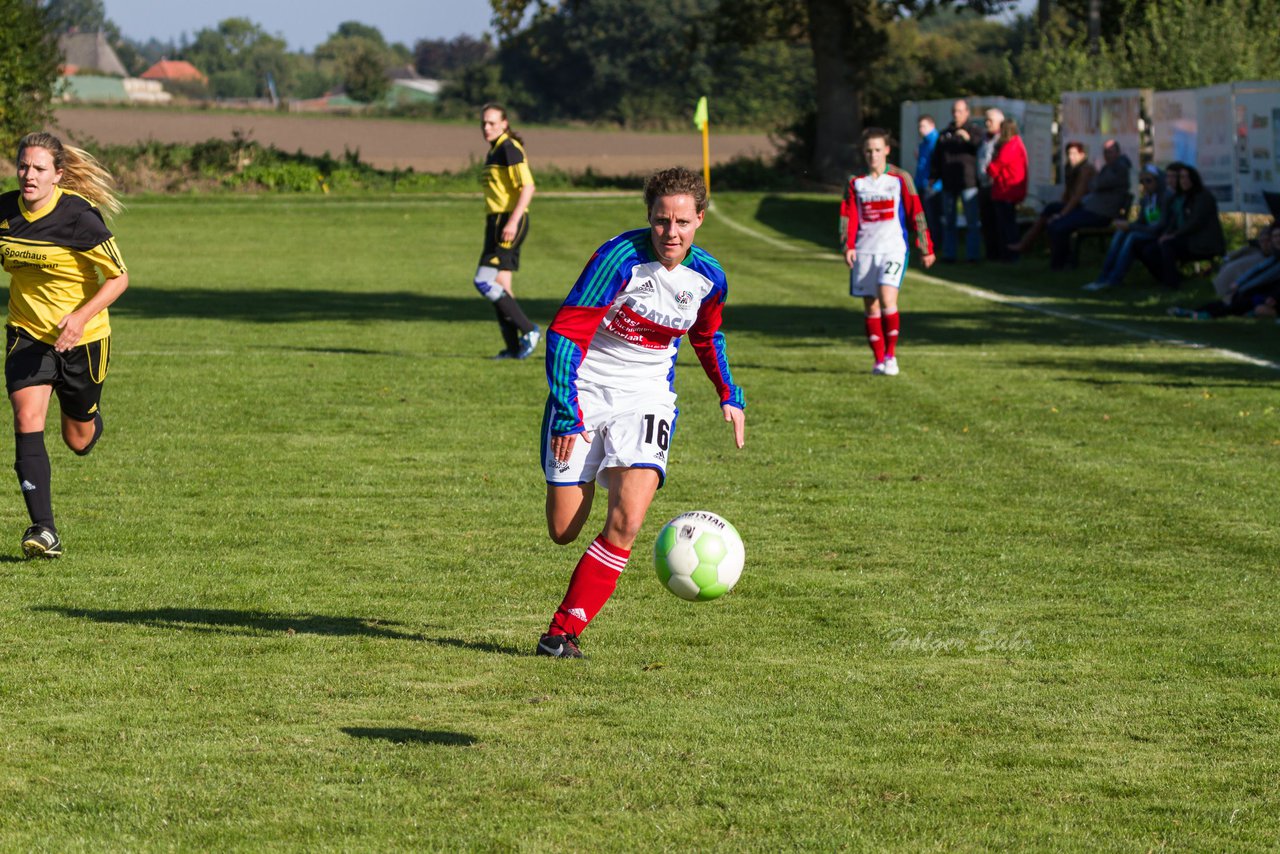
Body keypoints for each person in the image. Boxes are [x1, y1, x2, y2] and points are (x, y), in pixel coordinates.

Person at [534, 167, 745, 658]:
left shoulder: (709, 277)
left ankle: (562, 634)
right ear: (649, 217)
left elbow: (707, 334)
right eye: (660, 221)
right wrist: (567, 409)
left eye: (682, 222)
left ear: (700, 219)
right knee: (563, 531)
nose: (671, 233)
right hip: (584, 390)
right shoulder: (618, 258)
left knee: (627, 521)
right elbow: (566, 332)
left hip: (648, 396)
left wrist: (729, 393)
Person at [0, 132, 128, 558]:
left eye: (39, 169)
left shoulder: (79, 217)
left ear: (58, 175)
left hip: (83, 340)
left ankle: (88, 417)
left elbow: (119, 278)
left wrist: (80, 316)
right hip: (27, 334)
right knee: (26, 417)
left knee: (78, 439)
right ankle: (44, 529)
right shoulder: (3, 213)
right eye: (23, 166)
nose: (29, 175)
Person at [839, 128, 936, 376]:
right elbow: (847, 216)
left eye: (878, 150)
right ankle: (878, 359)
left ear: (887, 150)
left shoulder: (900, 178)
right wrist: (848, 245)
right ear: (863, 152)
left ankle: (891, 356)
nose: (873, 155)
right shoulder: (855, 182)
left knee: (887, 297)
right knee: (871, 307)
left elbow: (916, 211)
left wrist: (925, 246)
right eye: (869, 151)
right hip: (864, 251)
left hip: (893, 249)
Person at [474, 103, 540, 359]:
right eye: (483, 123)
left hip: (508, 221)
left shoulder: (508, 148)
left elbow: (528, 187)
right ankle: (514, 349)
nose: (486, 128)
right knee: (503, 287)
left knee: (483, 280)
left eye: (491, 123)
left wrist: (512, 222)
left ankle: (529, 330)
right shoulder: (495, 150)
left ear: (504, 123)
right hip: (496, 222)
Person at [1082, 162, 1172, 292]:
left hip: (1159, 233)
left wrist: (1130, 226)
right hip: (1147, 231)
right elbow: (1141, 220)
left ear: (1158, 180)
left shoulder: (1165, 197)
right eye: (1142, 181)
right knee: (1121, 232)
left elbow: (1160, 226)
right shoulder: (1147, 198)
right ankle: (1102, 278)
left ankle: (1114, 279)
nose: (1145, 185)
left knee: (1132, 236)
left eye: (1149, 180)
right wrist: (1126, 225)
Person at [1045, 139, 1132, 270]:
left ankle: (1061, 264)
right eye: (1105, 152)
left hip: (1101, 214)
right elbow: (1092, 185)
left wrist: (1095, 183)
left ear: (1118, 153)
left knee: (1059, 225)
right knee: (1055, 219)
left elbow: (1096, 184)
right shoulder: (1107, 168)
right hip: (1093, 209)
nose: (1107, 155)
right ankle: (1063, 261)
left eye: (1111, 152)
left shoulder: (1118, 168)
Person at [1138, 164, 1225, 289]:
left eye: (1186, 177)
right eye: (1181, 178)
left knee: (1167, 245)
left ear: (1194, 179)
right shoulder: (1180, 197)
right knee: (1146, 248)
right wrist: (1166, 235)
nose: (1183, 181)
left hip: (1202, 243)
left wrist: (1173, 235)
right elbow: (1173, 222)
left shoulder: (1203, 196)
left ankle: (1171, 284)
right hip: (1185, 239)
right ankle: (1168, 277)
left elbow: (1195, 223)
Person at [1168, 223, 1280, 318]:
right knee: (1229, 302)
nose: (1276, 239)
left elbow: (1264, 277)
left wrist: (1244, 288)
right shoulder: (1273, 258)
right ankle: (1195, 312)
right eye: (1274, 236)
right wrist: (1239, 284)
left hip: (1267, 296)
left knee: (1237, 304)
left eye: (1278, 236)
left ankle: (1202, 315)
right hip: (1259, 293)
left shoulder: (1273, 260)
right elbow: (1257, 271)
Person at [1008, 141, 1097, 257]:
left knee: (1054, 218)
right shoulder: (1071, 168)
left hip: (1084, 206)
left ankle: (1028, 243)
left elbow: (1077, 195)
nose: (1071, 157)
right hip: (1074, 205)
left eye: (1075, 154)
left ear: (1082, 155)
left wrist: (1063, 213)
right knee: (1050, 210)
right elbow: (1069, 192)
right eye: (1069, 154)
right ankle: (1028, 242)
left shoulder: (1085, 169)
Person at [930, 99, 984, 263]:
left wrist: (967, 138)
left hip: (968, 183)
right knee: (949, 222)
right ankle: (949, 254)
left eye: (960, 111)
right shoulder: (945, 134)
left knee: (972, 222)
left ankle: (973, 255)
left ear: (967, 112)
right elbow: (937, 159)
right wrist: (934, 177)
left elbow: (979, 147)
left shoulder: (974, 131)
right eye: (954, 111)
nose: (956, 114)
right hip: (949, 183)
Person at [985, 116, 1028, 262]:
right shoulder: (1016, 144)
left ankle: (1010, 254)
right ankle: (1007, 253)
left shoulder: (1012, 145)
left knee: (1007, 225)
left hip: (1007, 190)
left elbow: (998, 164)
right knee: (1006, 223)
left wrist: (988, 169)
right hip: (1007, 189)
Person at [976, 108, 1006, 262]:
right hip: (983, 184)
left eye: (991, 120)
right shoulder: (984, 139)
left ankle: (1001, 254)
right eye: (986, 120)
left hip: (996, 185)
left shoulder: (1002, 140)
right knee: (986, 221)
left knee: (998, 222)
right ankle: (990, 253)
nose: (987, 123)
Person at [915, 115, 944, 251]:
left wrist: (934, 179)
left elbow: (938, 163)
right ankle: (927, 243)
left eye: (923, 126)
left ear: (932, 125)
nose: (921, 129)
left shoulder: (937, 141)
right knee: (924, 217)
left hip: (933, 185)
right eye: (919, 126)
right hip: (923, 184)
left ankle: (936, 245)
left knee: (933, 218)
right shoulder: (924, 143)